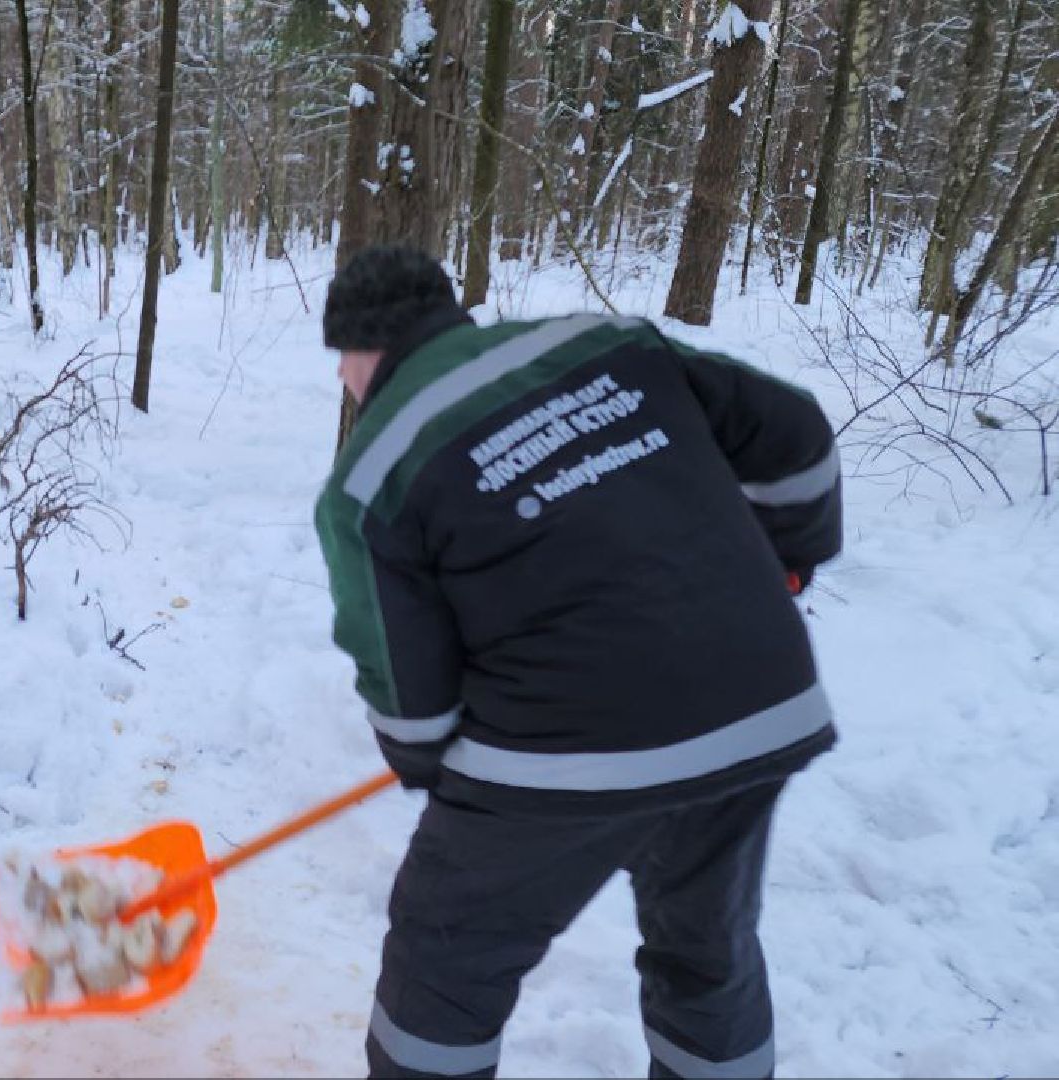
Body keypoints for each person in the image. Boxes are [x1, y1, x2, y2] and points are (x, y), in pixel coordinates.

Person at [315, 246, 843, 1079]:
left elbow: (408, 696)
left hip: (562, 750)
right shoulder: (604, 342)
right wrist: (793, 553)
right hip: (758, 702)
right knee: (704, 947)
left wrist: (427, 760)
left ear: (358, 350)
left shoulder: (371, 472)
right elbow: (796, 432)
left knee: (447, 961)